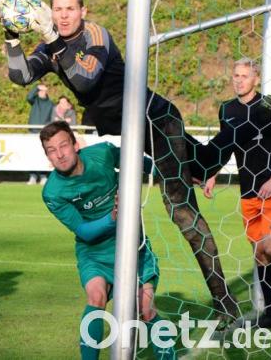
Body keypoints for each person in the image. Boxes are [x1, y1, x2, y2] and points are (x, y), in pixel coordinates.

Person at [0, 0, 240, 323]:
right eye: (58, 9)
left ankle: (224, 302)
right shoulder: (49, 45)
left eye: (70, 9)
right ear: (50, 12)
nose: (64, 16)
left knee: (180, 209)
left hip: (157, 121)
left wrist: (51, 37)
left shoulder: (96, 35)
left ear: (83, 11)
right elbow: (20, 75)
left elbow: (85, 80)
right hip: (131, 129)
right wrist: (11, 35)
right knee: (203, 165)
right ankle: (236, 131)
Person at [40, 121, 174, 360]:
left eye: (63, 146)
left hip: (133, 244)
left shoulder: (102, 153)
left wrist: (176, 174)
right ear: (47, 155)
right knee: (96, 297)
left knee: (146, 309)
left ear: (75, 144)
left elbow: (138, 163)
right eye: (51, 150)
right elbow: (84, 232)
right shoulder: (53, 192)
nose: (59, 155)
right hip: (94, 251)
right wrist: (113, 217)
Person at [202, 59, 271, 329]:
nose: (239, 80)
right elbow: (224, 146)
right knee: (261, 255)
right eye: (235, 75)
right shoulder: (227, 110)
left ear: (256, 79)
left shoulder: (270, 106)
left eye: (245, 76)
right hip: (248, 191)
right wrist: (211, 174)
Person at [27, 84, 54, 185]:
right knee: (32, 154)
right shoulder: (35, 101)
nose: (41, 93)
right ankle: (32, 176)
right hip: (32, 132)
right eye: (40, 91)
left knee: (44, 155)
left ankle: (43, 176)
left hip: (44, 133)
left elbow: (52, 118)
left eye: (43, 91)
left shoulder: (51, 104)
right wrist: (37, 87)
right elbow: (29, 97)